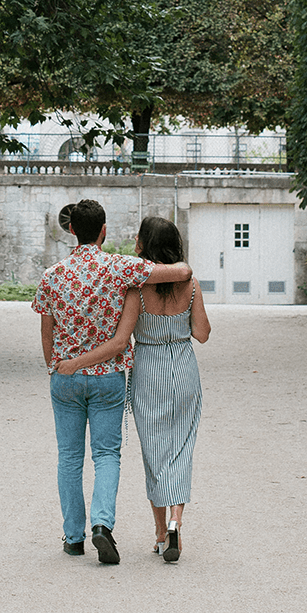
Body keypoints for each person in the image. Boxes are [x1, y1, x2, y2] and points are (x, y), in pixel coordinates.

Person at [32, 200, 192, 564]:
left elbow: (47, 328)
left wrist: (54, 368)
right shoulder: (121, 267)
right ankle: (102, 525)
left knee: (69, 457)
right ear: (104, 230)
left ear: (71, 230)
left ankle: (73, 537)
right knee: (106, 455)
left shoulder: (52, 275)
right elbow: (180, 273)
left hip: (66, 378)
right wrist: (183, 265)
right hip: (108, 378)